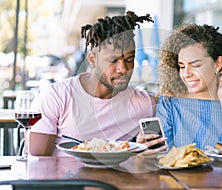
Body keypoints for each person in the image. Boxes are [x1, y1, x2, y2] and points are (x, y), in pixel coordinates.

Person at [29, 11, 167, 156]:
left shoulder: (144, 104)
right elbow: (38, 161)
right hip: (64, 178)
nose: (123, 69)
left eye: (129, 60)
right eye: (113, 60)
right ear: (92, 59)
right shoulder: (56, 96)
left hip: (119, 178)